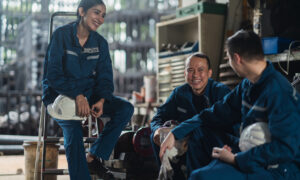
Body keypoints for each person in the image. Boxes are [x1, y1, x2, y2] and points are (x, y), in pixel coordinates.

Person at [160, 30, 300, 180]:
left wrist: (236, 159)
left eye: (228, 58)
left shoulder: (278, 92)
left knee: (200, 177)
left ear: (237, 58)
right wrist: (176, 132)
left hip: (278, 169)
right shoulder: (248, 85)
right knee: (200, 132)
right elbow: (214, 113)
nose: (228, 62)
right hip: (249, 152)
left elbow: (285, 149)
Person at [42, 0, 134, 179]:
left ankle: (93, 156)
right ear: (82, 11)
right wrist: (77, 95)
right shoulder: (61, 35)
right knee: (74, 132)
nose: (100, 18)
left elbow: (105, 78)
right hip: (59, 94)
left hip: (88, 95)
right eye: (96, 12)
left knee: (125, 108)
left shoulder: (100, 43)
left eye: (103, 15)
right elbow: (53, 75)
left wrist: (100, 100)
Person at [150, 53, 232, 178]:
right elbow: (158, 116)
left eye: (200, 70)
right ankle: (170, 176)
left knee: (196, 135)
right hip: (185, 136)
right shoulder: (179, 93)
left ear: (209, 73)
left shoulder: (221, 92)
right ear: (184, 73)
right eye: (190, 70)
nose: (195, 75)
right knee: (155, 136)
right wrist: (157, 130)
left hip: (214, 140)